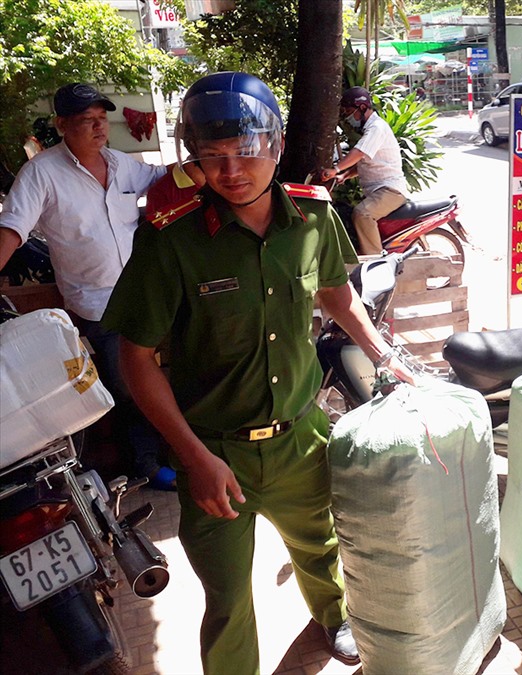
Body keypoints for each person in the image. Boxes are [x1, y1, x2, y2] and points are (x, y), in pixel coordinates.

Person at [100, 71, 413, 673]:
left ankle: (333, 618)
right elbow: (135, 358)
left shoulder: (315, 219)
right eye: (212, 157)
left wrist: (387, 359)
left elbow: (339, 299)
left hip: (300, 437)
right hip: (215, 455)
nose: (232, 170)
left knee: (320, 549)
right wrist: (192, 458)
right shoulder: (172, 240)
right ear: (194, 161)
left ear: (274, 144)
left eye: (247, 151)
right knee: (227, 600)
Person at [0, 82, 173, 488]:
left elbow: (165, 178)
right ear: (62, 125)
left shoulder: (120, 163)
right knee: (128, 389)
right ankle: (146, 466)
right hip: (99, 306)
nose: (99, 129)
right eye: (86, 122)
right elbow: (12, 228)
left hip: (148, 295)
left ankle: (178, 451)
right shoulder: (41, 174)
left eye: (101, 119)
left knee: (169, 376)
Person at [319, 87, 408, 255]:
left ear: (361, 108)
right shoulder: (371, 129)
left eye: (349, 111)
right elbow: (368, 163)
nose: (348, 117)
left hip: (391, 190)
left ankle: (375, 262)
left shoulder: (377, 128)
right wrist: (344, 175)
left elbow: (360, 153)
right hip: (380, 190)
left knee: (362, 214)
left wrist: (336, 169)